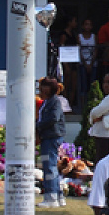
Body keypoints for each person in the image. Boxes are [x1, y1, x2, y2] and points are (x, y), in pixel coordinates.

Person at [37, 77, 69, 208]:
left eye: (42, 87)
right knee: (51, 166)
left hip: (51, 137)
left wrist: (38, 125)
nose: (40, 89)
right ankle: (58, 195)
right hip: (49, 137)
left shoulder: (54, 102)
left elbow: (53, 118)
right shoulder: (49, 101)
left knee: (49, 166)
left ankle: (51, 196)